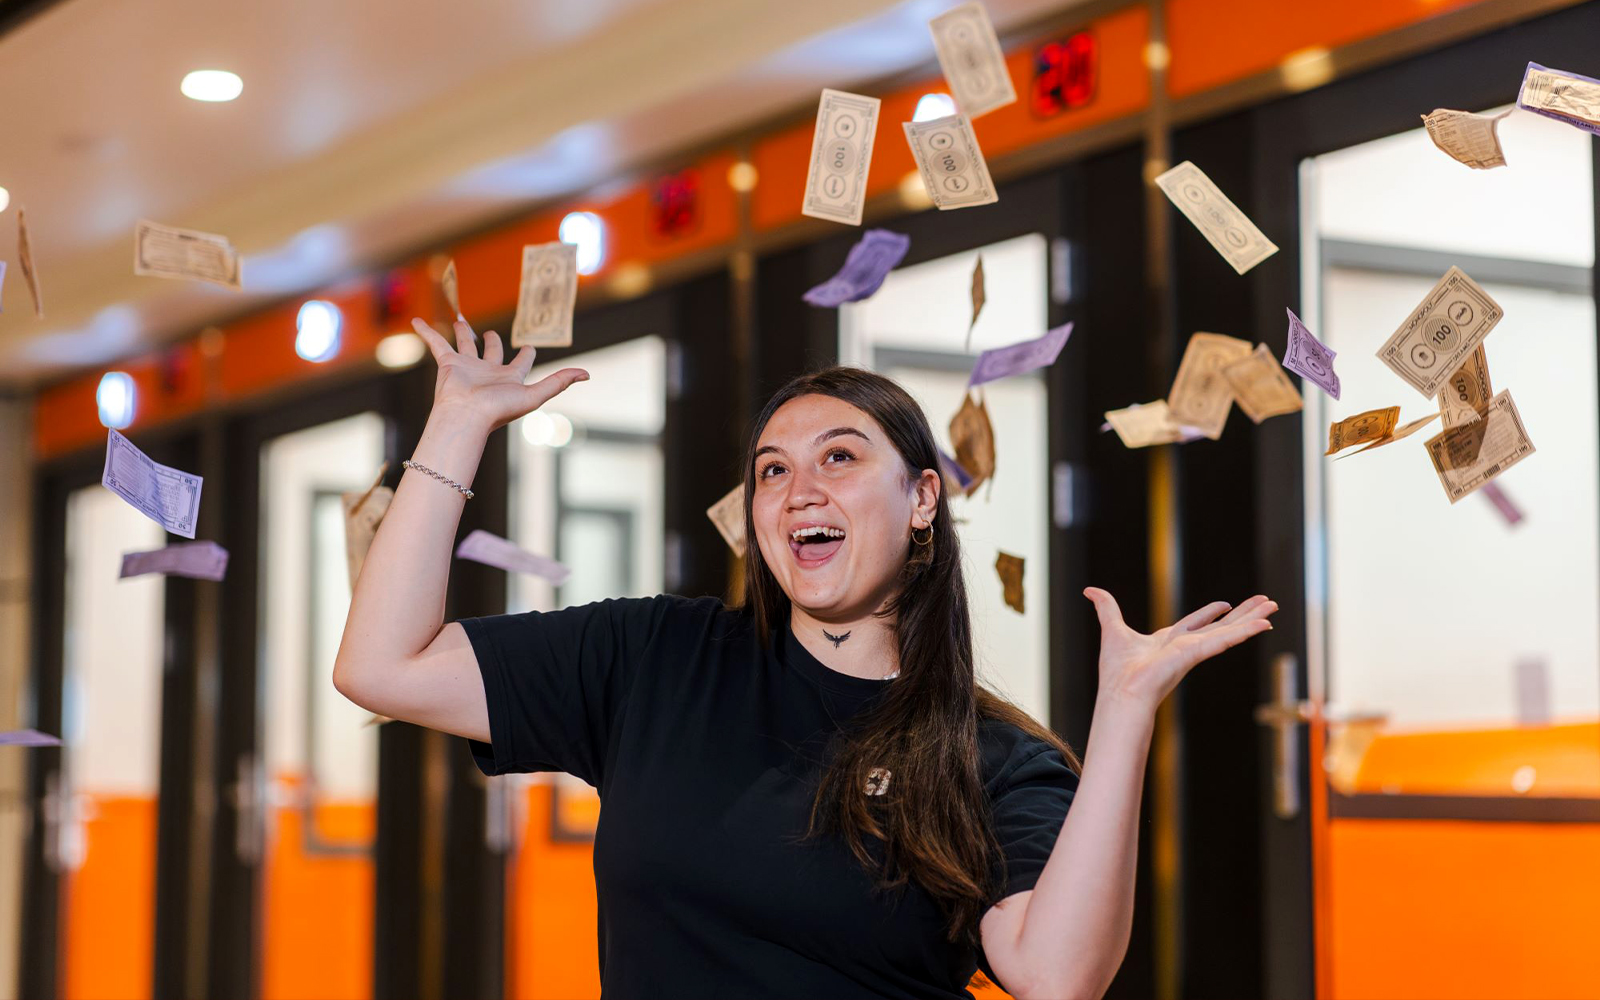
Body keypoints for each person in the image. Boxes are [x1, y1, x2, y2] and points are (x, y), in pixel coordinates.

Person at [333, 317, 1278, 1000]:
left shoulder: (988, 758)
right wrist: (456, 424)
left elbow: (1058, 976)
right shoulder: (656, 656)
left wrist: (1124, 711)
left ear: (920, 500)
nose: (796, 489)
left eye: (839, 458)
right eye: (772, 469)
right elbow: (383, 667)